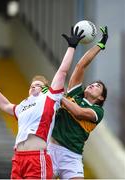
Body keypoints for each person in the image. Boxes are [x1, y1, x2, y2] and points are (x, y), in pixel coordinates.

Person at [0, 26, 85, 179]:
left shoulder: (50, 98)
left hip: (37, 158)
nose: (34, 86)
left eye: (38, 85)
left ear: (46, 88)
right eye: (32, 85)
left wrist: (71, 47)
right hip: (18, 159)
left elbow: (62, 71)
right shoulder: (23, 106)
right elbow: (5, 105)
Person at [47, 26, 108, 179]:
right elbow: (81, 65)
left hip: (72, 157)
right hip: (51, 149)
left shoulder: (97, 111)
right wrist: (100, 45)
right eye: (92, 83)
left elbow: (79, 112)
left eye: (98, 86)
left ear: (101, 98)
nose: (92, 84)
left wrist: (58, 96)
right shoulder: (75, 94)